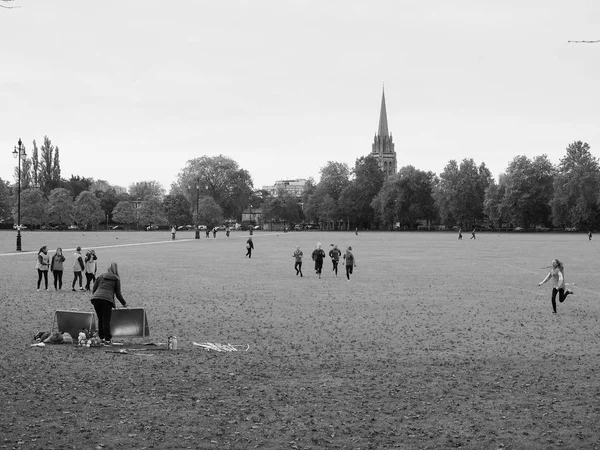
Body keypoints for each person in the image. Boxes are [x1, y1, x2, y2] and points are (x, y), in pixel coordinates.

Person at [91, 262, 127, 344]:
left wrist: (96, 296)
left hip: (96, 299)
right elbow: (118, 294)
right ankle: (107, 339)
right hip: (107, 300)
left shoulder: (100, 277)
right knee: (106, 320)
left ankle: (102, 338)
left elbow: (94, 289)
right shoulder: (116, 279)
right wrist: (124, 304)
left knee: (100, 319)